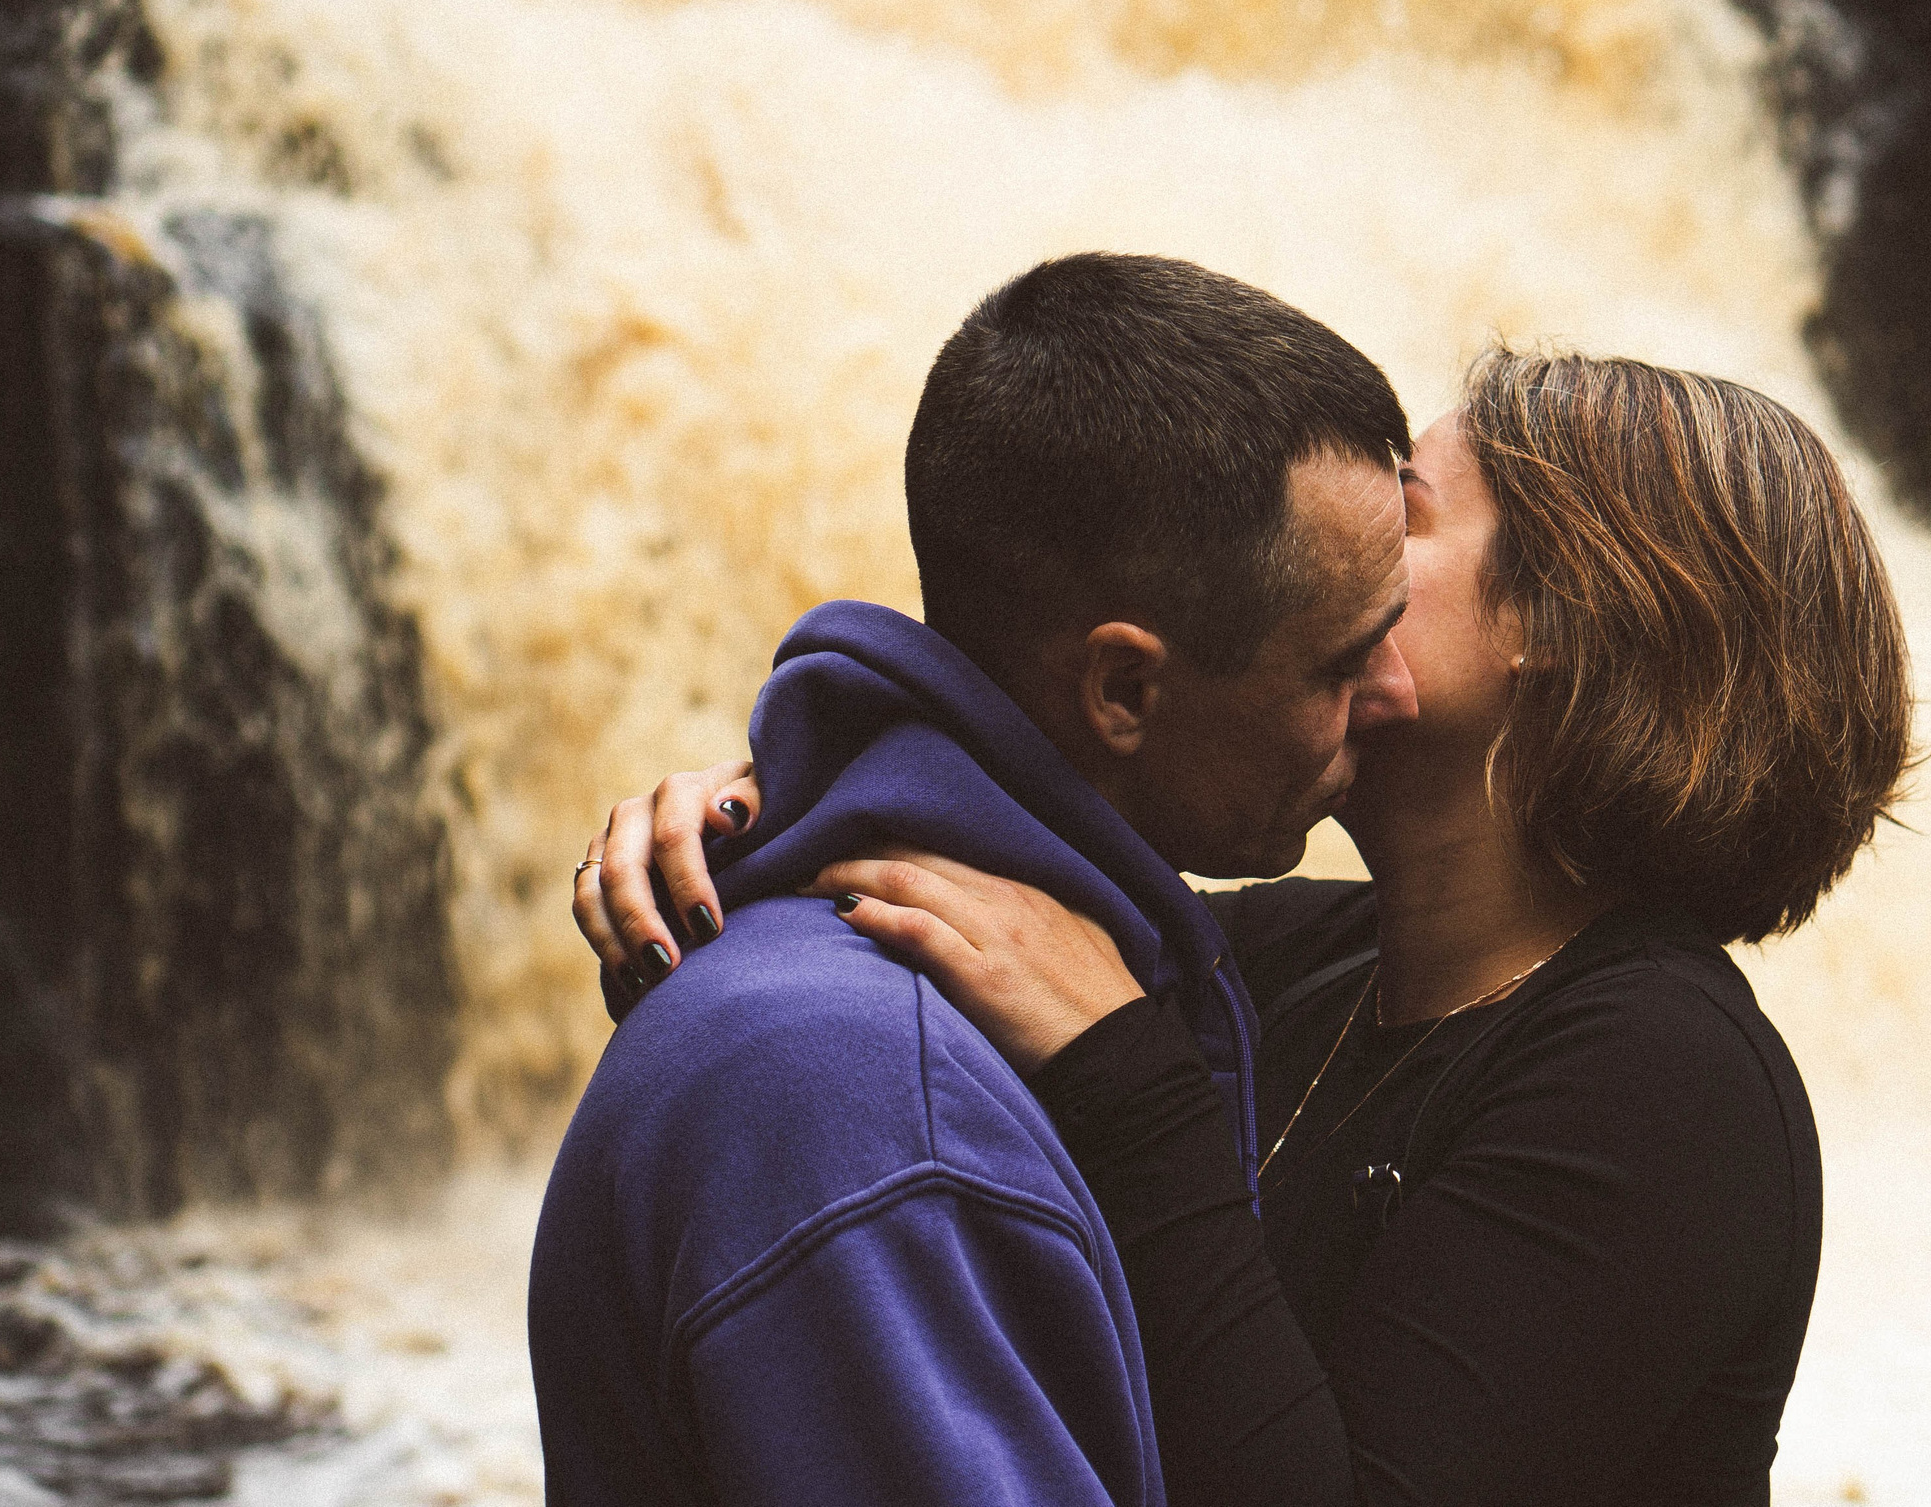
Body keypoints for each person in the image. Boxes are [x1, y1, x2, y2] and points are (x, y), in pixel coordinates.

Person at [588, 347, 1915, 1505]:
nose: (1323, 556)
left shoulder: (1662, 1078)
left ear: (1561, 618)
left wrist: (1129, 1082)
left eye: (1401, 515)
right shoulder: (1295, 958)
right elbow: (976, 893)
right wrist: (755, 817)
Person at [530, 252, 1420, 1507]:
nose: (1401, 694)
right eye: (1343, 660)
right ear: (1124, 691)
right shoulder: (875, 1115)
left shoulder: (1032, 980)